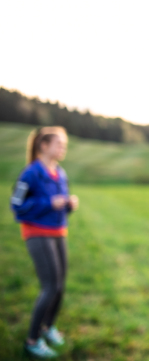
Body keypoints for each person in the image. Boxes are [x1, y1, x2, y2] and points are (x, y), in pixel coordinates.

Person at [10, 127, 79, 359]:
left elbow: (60, 208)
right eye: (59, 144)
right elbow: (17, 205)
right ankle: (32, 340)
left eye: (64, 145)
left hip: (59, 232)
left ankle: (47, 328)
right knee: (50, 287)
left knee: (60, 287)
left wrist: (68, 205)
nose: (63, 148)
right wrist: (49, 202)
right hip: (37, 233)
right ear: (44, 146)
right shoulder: (30, 173)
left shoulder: (61, 173)